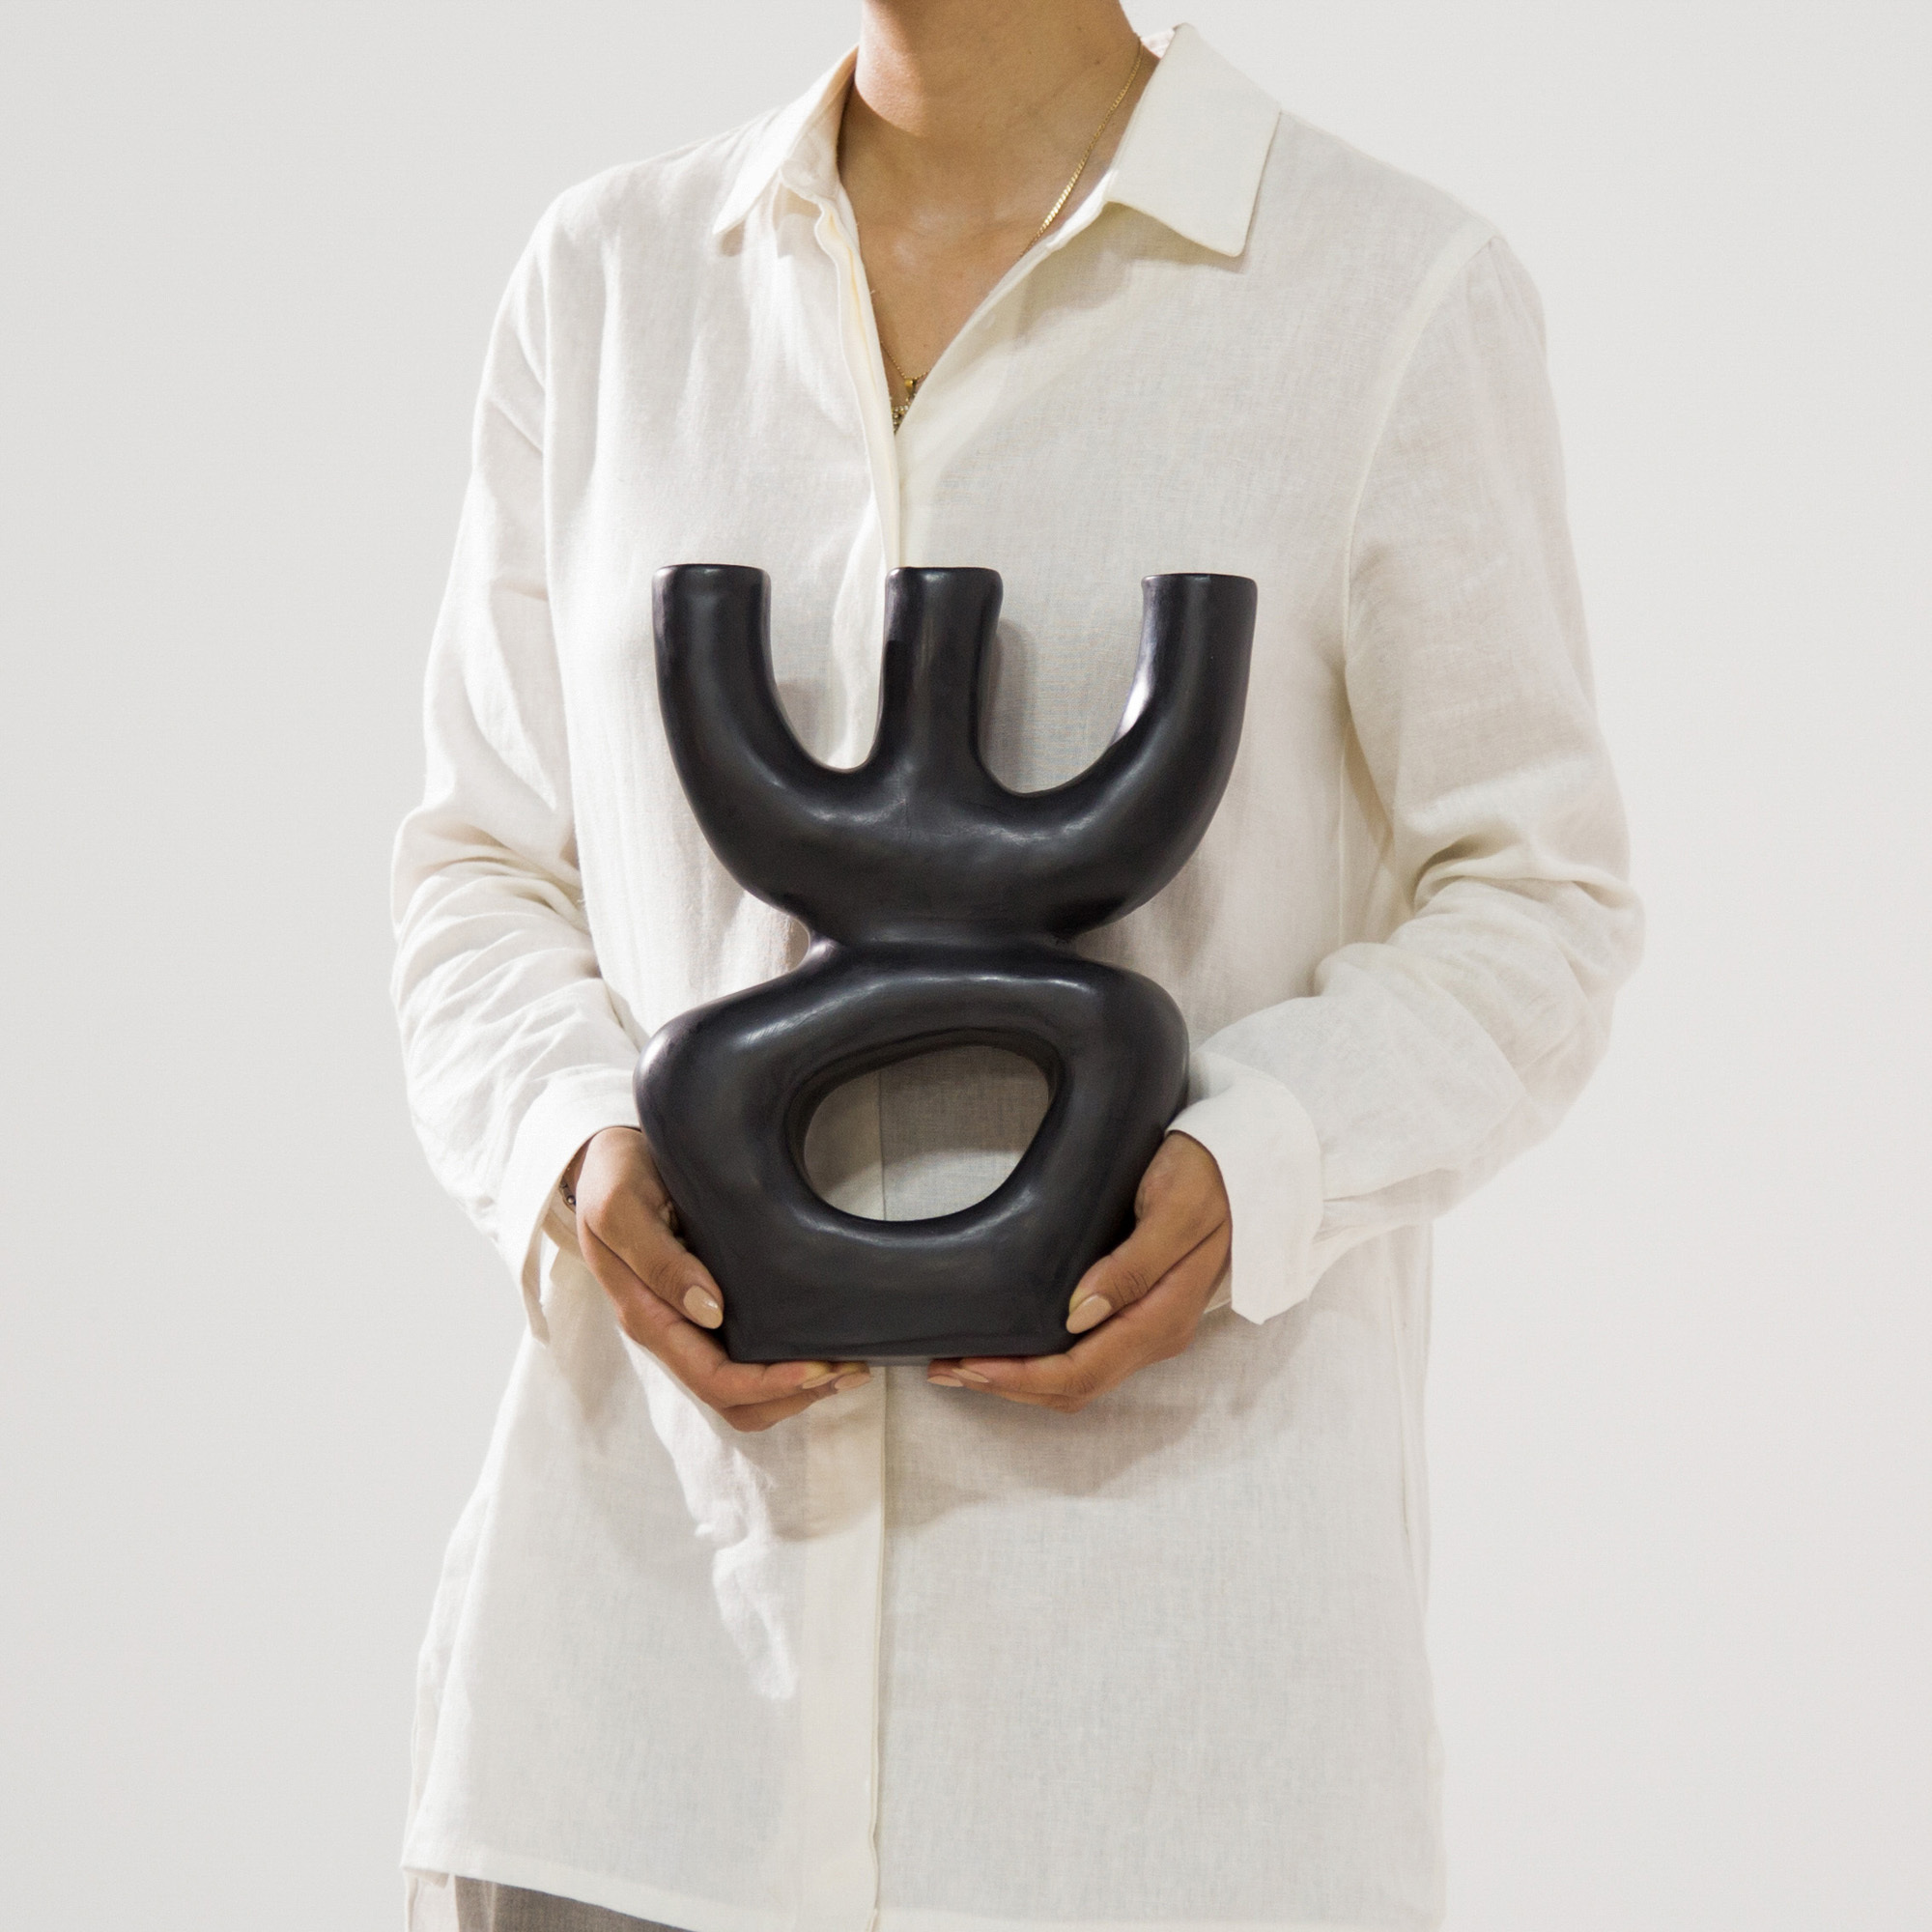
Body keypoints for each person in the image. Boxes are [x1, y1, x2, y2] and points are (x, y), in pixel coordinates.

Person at [389, 3, 1642, 1928]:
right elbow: (479, 864)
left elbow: (1537, 894)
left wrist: (1264, 1157)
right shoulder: (614, 283)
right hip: (638, 1740)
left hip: (1157, 1756)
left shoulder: (1380, 290)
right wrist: (573, 1142)